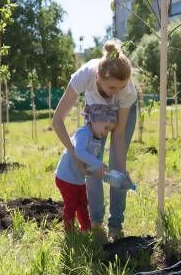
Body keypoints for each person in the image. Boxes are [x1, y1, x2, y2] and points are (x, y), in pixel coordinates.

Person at [52, 40, 138, 242]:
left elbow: (118, 135)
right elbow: (57, 120)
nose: (117, 92)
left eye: (122, 86)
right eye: (112, 87)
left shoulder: (126, 92)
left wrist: (122, 170)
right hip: (96, 115)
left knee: (116, 171)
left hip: (124, 114)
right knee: (92, 166)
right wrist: (76, 155)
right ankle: (97, 223)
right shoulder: (85, 76)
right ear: (98, 77)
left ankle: (115, 226)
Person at [54, 104, 118, 233]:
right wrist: (98, 164)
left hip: (78, 179)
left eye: (109, 130)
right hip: (66, 177)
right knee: (71, 204)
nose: (106, 132)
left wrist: (100, 169)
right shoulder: (83, 133)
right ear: (94, 120)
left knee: (83, 204)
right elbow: (80, 152)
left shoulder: (96, 139)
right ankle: (69, 231)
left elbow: (88, 161)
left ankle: (85, 229)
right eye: (105, 127)